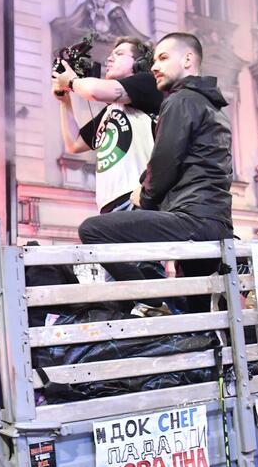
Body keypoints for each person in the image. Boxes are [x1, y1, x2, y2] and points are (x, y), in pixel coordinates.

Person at [77, 32, 233, 285]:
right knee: (195, 310)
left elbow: (164, 161)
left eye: (163, 58)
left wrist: (143, 196)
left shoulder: (180, 101)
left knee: (92, 230)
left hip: (192, 218)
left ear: (188, 60)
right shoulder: (211, 107)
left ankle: (150, 300)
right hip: (214, 221)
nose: (155, 67)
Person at [52, 36, 163, 214]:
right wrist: (65, 102)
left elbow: (94, 91)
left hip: (137, 199)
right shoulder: (113, 109)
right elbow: (74, 144)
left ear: (140, 63)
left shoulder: (149, 83)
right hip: (110, 204)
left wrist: (72, 81)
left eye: (119, 54)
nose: (109, 59)